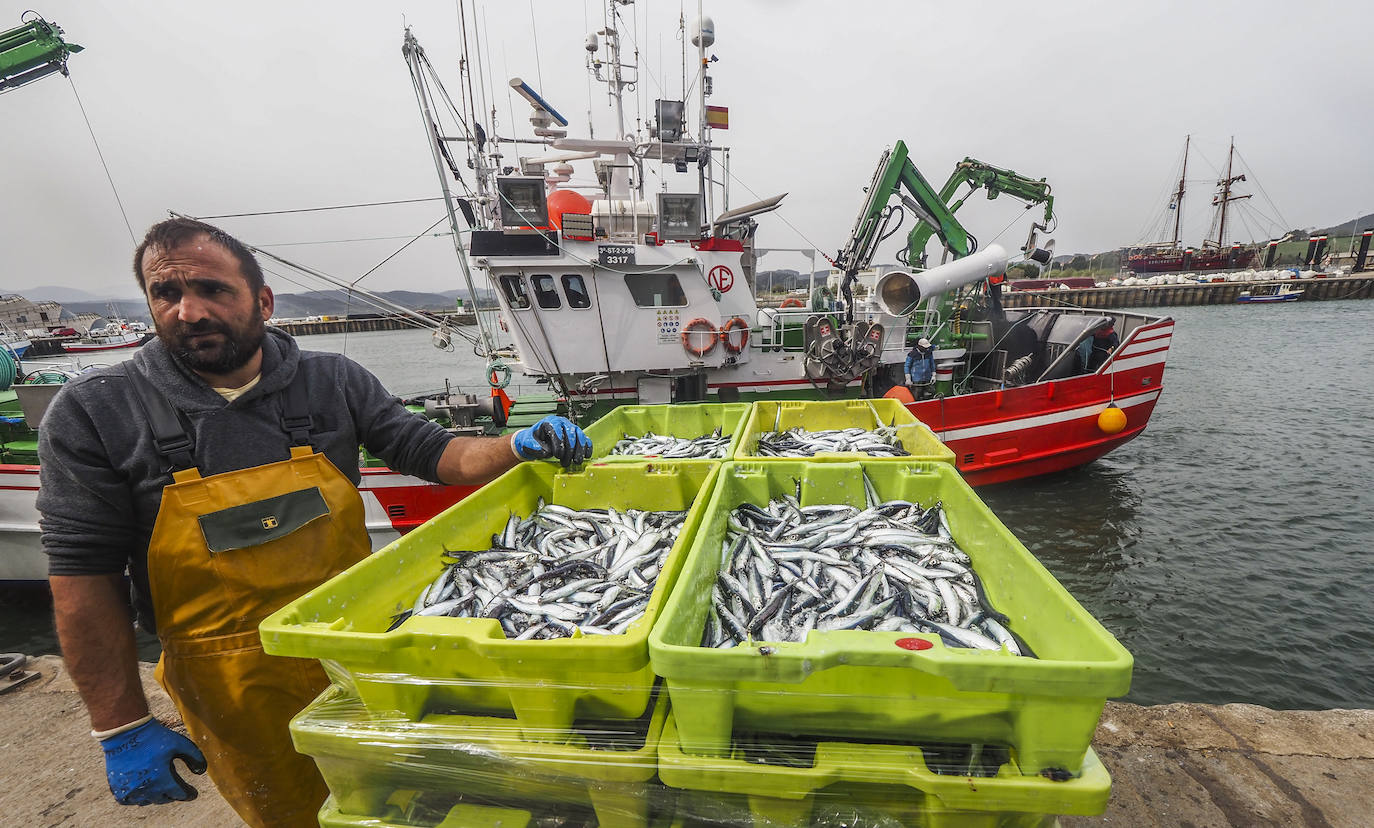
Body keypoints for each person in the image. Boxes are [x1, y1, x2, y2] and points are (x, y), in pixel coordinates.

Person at [38, 218, 591, 827]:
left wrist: (515, 446)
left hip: (359, 650)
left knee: (418, 802)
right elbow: (82, 574)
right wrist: (120, 724)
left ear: (263, 302)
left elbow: (433, 452)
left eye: (211, 290)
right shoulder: (93, 411)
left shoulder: (332, 380)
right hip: (234, 685)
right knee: (296, 816)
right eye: (165, 294)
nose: (187, 312)